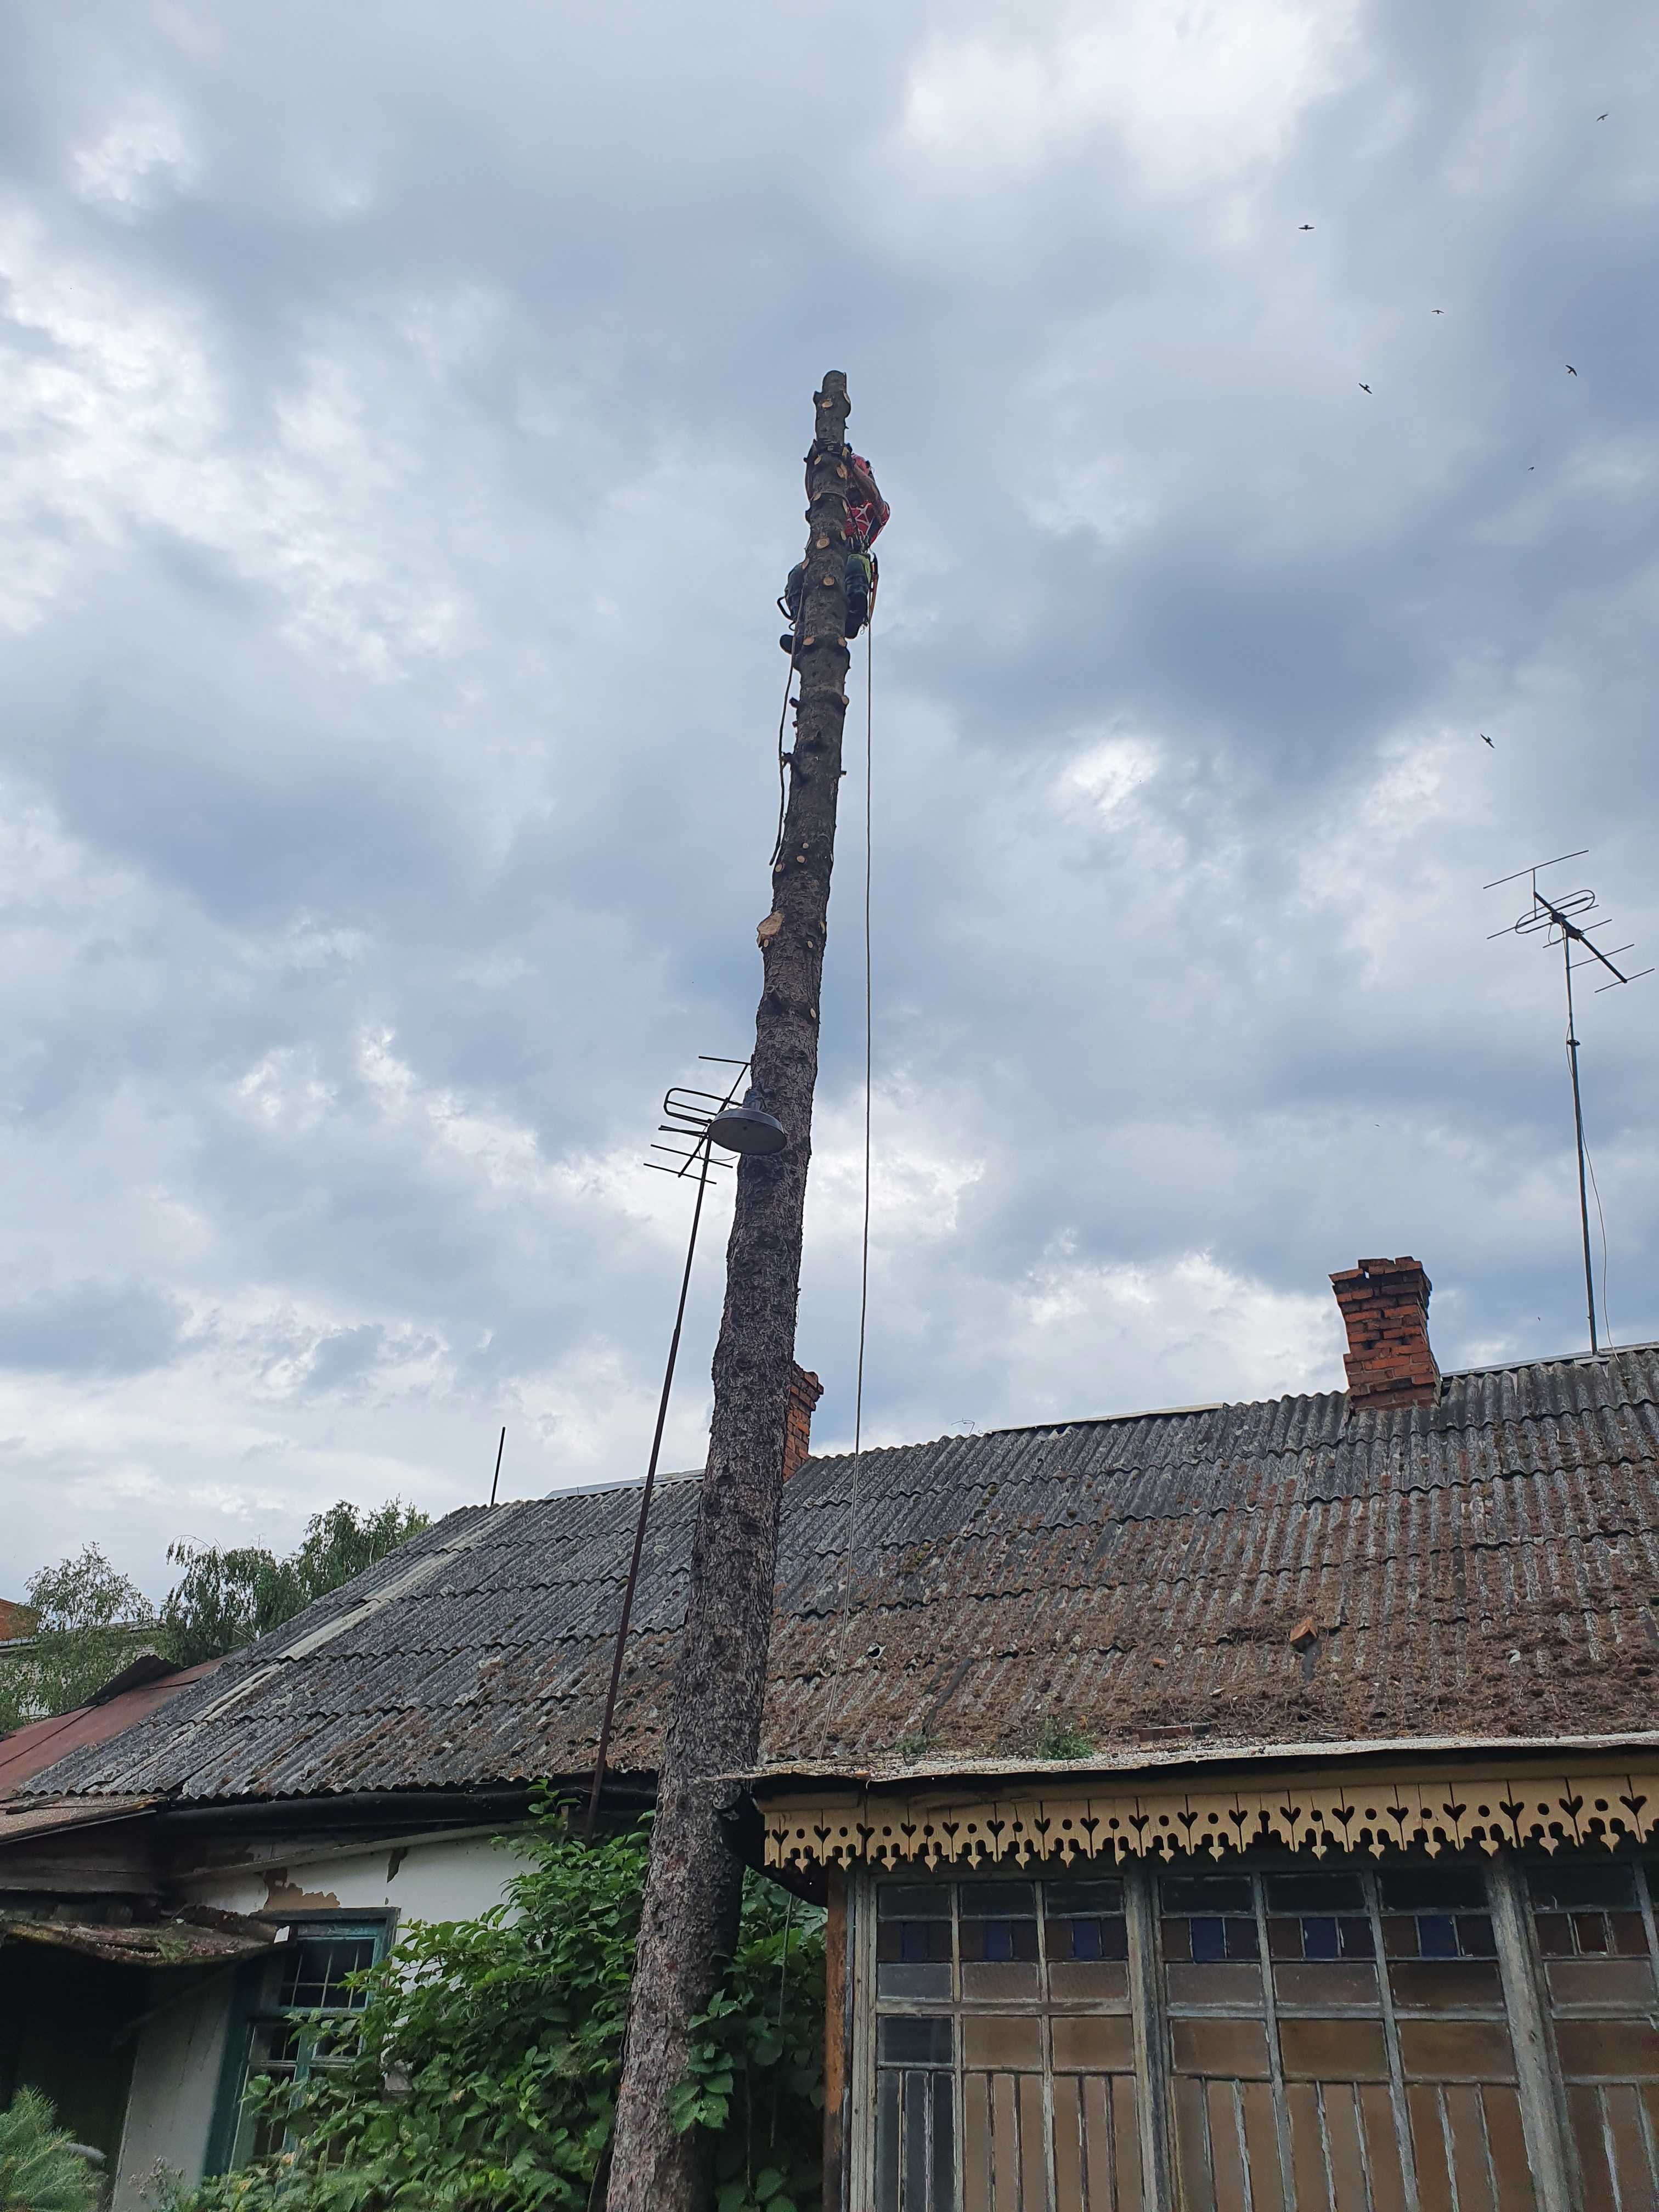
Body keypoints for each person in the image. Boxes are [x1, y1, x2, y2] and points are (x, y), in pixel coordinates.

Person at [779, 452, 889, 652]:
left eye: (854, 483)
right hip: (824, 556)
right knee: (796, 576)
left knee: (855, 564)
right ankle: (801, 627)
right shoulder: (834, 504)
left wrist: (853, 468)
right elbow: (814, 496)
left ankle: (855, 613)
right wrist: (811, 466)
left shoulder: (873, 510)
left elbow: (876, 499)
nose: (851, 488)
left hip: (853, 553)